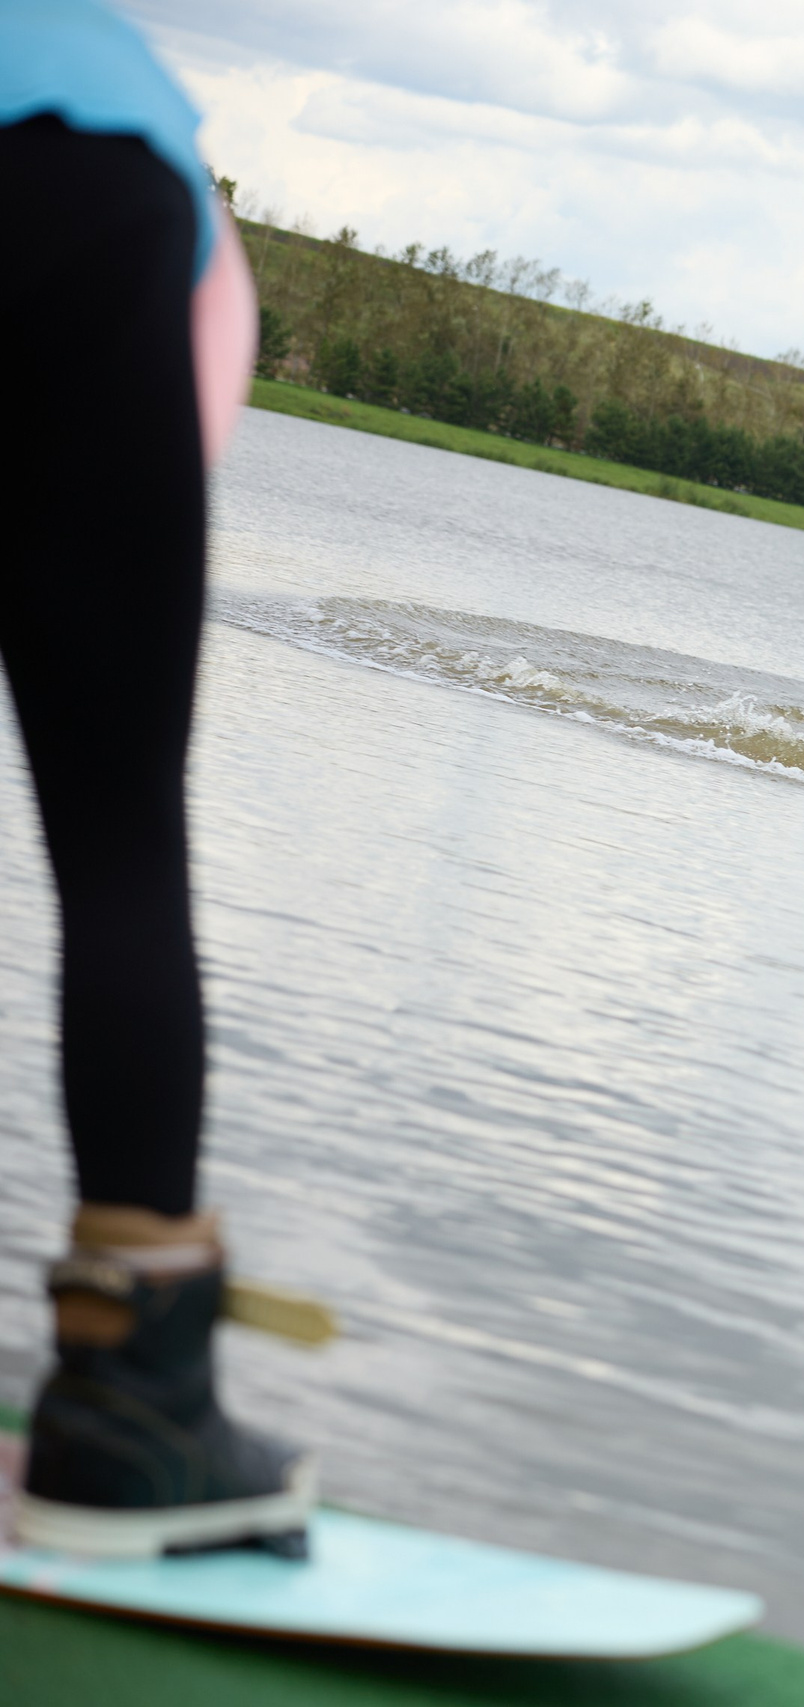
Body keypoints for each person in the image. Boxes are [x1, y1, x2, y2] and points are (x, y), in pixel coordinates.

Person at [2, 0, 309, 1556]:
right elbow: (153, 464)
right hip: (91, 195)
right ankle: (132, 1412)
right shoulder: (112, 102)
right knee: (119, 840)